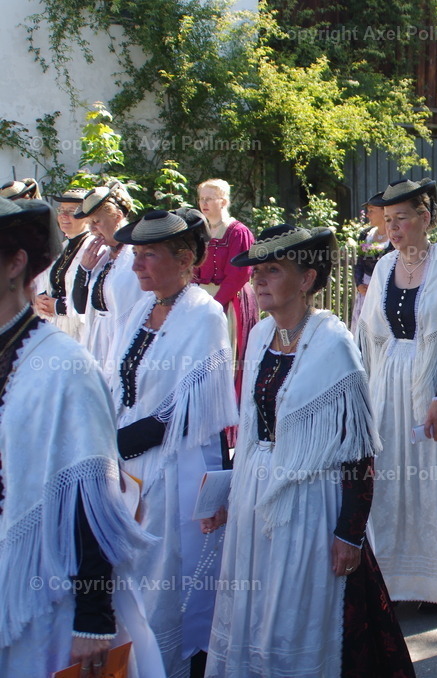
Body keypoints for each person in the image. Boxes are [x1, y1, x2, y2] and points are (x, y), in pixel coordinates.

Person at [204, 225, 414, 677]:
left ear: (306, 279)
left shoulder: (333, 346)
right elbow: (253, 427)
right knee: (256, 611)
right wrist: (229, 494)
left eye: (272, 270)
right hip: (256, 502)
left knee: (301, 613)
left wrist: (349, 533)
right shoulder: (260, 336)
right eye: (257, 270)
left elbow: (358, 451)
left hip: (310, 504)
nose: (258, 280)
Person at [0, 197, 162, 678]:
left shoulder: (64, 369)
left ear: (15, 263)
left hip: (45, 597)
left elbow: (92, 499)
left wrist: (93, 621)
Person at [110, 210, 236, 677]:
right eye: (135, 255)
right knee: (131, 574)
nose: (137, 265)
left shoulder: (202, 316)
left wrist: (116, 441)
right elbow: (118, 381)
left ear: (185, 259)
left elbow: (188, 411)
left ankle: (168, 665)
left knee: (166, 576)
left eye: (148, 255)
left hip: (172, 466)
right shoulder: (143, 309)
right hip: (130, 465)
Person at [357, 178, 437, 610]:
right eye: (388, 220)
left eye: (402, 218)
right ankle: (390, 576)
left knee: (432, 478)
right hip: (389, 384)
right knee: (390, 482)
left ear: (425, 218)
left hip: (434, 386)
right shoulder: (385, 267)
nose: (393, 227)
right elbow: (370, 336)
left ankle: (436, 581)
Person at [191, 179, 259, 400]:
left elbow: (239, 274)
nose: (204, 203)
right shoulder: (199, 231)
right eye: (202, 198)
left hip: (229, 302)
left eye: (210, 198)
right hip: (201, 300)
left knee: (228, 360)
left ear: (224, 201)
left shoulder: (237, 232)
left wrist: (216, 304)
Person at [72, 182, 144, 375]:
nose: (93, 229)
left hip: (122, 340)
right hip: (97, 339)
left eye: (97, 222)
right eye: (90, 224)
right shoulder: (102, 257)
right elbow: (80, 306)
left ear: (117, 217)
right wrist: (84, 270)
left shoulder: (135, 256)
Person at [34, 188, 92, 341]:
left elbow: (92, 295)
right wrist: (41, 299)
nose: (64, 216)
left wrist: (59, 306)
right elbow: (50, 282)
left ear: (86, 216)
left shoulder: (93, 248)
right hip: (56, 326)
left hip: (81, 331)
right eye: (61, 210)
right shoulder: (63, 246)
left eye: (72, 211)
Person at [350, 191, 392, 327]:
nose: (368, 214)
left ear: (384, 211)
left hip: (385, 289)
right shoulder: (365, 235)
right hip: (365, 290)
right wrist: (359, 285)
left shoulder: (395, 236)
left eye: (371, 210)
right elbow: (359, 263)